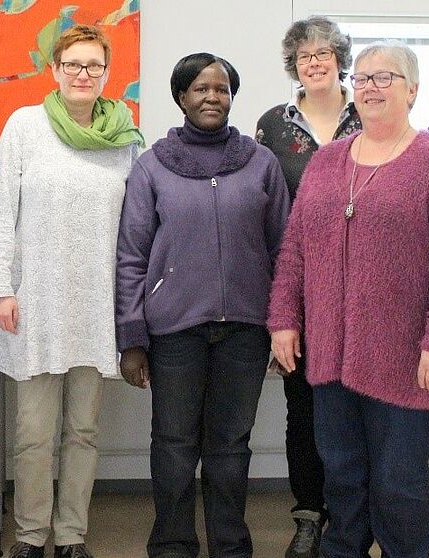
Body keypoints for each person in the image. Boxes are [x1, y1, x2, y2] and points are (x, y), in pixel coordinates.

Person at [267, 41, 429, 558]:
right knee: (342, 475)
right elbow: (296, 246)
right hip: (331, 356)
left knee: (399, 482)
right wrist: (283, 320)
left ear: (412, 90)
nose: (370, 87)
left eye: (384, 78)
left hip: (405, 358)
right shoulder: (326, 162)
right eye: (362, 78)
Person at [117, 53, 288, 558]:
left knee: (230, 448)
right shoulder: (152, 166)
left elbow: (284, 250)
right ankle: (172, 545)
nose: (212, 96)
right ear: (180, 98)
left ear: (232, 97)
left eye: (221, 88)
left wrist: (284, 324)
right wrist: (132, 337)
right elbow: (131, 255)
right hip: (175, 331)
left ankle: (231, 547)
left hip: (245, 330)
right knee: (173, 446)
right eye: (199, 88)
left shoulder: (260, 163)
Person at [0, 23, 143, 558]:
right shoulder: (25, 125)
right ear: (54, 70)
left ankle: (71, 536)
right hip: (34, 303)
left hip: (97, 306)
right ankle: (31, 536)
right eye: (72, 64)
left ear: (105, 74)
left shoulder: (124, 137)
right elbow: (2, 210)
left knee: (83, 432)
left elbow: (135, 228)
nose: (82, 74)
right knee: (32, 435)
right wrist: (0, 289)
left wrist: (131, 304)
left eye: (93, 66)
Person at [254, 17, 360, 558]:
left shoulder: (369, 112)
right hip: (297, 287)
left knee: (357, 406)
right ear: (293, 65)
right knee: (306, 410)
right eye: (304, 56)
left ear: (341, 57)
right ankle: (308, 516)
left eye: (324, 53)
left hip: (365, 288)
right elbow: (264, 211)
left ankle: (353, 519)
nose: (314, 62)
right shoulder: (272, 125)